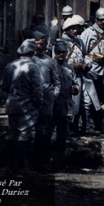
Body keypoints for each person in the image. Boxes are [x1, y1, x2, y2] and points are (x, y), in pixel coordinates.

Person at [0, 39, 43, 172]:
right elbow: (37, 89)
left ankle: (9, 164)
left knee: (12, 132)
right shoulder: (33, 67)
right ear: (32, 52)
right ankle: (21, 166)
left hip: (12, 103)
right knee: (24, 134)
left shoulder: (10, 65)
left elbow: (3, 85)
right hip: (27, 105)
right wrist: (38, 103)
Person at [31, 31, 60, 171]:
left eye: (42, 44)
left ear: (46, 45)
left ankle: (41, 162)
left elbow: (56, 82)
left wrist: (53, 95)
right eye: (37, 44)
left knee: (44, 131)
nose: (39, 47)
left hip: (46, 101)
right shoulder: (28, 60)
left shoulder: (50, 61)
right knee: (27, 131)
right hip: (30, 101)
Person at [50, 40, 78, 169]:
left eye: (63, 52)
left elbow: (74, 82)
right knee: (48, 134)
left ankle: (59, 161)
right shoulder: (50, 66)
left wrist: (75, 88)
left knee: (62, 135)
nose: (61, 54)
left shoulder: (69, 67)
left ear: (67, 53)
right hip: (52, 105)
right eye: (58, 52)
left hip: (65, 106)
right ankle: (46, 160)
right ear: (55, 52)